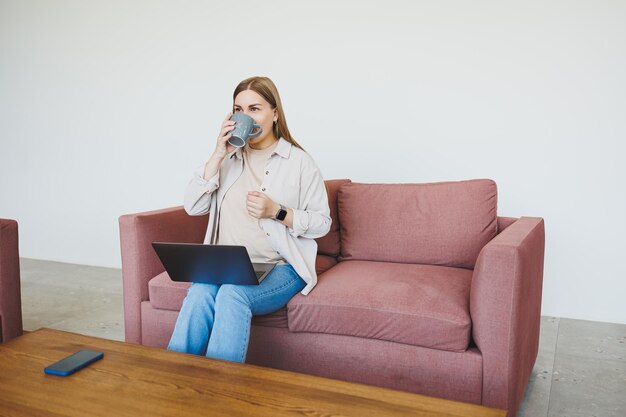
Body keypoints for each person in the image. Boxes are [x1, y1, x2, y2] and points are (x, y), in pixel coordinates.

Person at [167, 76, 331, 363]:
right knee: (200, 292)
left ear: (275, 113)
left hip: (279, 267)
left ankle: (222, 392)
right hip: (226, 265)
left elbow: (322, 223)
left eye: (254, 109)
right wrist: (218, 154)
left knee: (232, 295)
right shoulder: (227, 160)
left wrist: (277, 212)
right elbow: (193, 206)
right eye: (238, 109)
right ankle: (173, 380)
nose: (245, 116)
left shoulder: (299, 163)